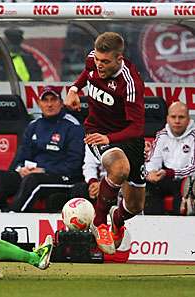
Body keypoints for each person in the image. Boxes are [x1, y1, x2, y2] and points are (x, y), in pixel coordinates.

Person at [65, 32, 145, 255]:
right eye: (98, 60)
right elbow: (87, 72)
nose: (99, 65)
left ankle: (117, 219)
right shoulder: (93, 59)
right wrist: (74, 89)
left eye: (105, 62)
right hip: (96, 132)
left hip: (127, 138)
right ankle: (99, 223)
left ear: (119, 59)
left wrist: (109, 138)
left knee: (136, 206)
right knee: (119, 169)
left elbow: (137, 129)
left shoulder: (130, 84)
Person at [0, 86, 84, 213]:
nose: (49, 104)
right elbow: (21, 156)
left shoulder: (73, 127)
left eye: (53, 100)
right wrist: (21, 169)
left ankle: (12, 215)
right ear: (39, 103)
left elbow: (74, 165)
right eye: (45, 100)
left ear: (61, 103)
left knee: (33, 180)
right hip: (33, 174)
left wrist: (44, 170)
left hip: (63, 177)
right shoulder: (33, 126)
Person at [145, 102, 195, 215]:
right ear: (167, 118)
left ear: (188, 119)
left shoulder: (193, 137)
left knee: (187, 188)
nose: (177, 121)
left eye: (181, 117)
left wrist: (170, 173)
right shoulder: (161, 135)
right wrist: (151, 173)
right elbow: (152, 160)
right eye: (173, 117)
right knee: (150, 186)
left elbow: (193, 168)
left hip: (186, 179)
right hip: (165, 176)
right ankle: (152, 226)